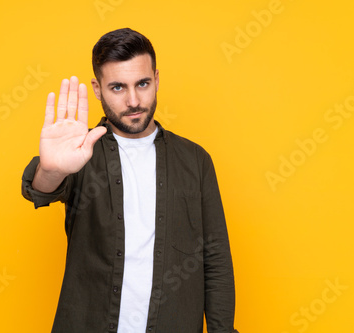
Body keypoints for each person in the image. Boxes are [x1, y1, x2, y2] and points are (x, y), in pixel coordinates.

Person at [21, 28, 238, 333]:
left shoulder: (195, 160)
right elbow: (41, 190)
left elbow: (215, 258)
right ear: (98, 89)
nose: (134, 100)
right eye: (118, 87)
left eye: (143, 84)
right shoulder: (81, 152)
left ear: (157, 79)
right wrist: (53, 169)